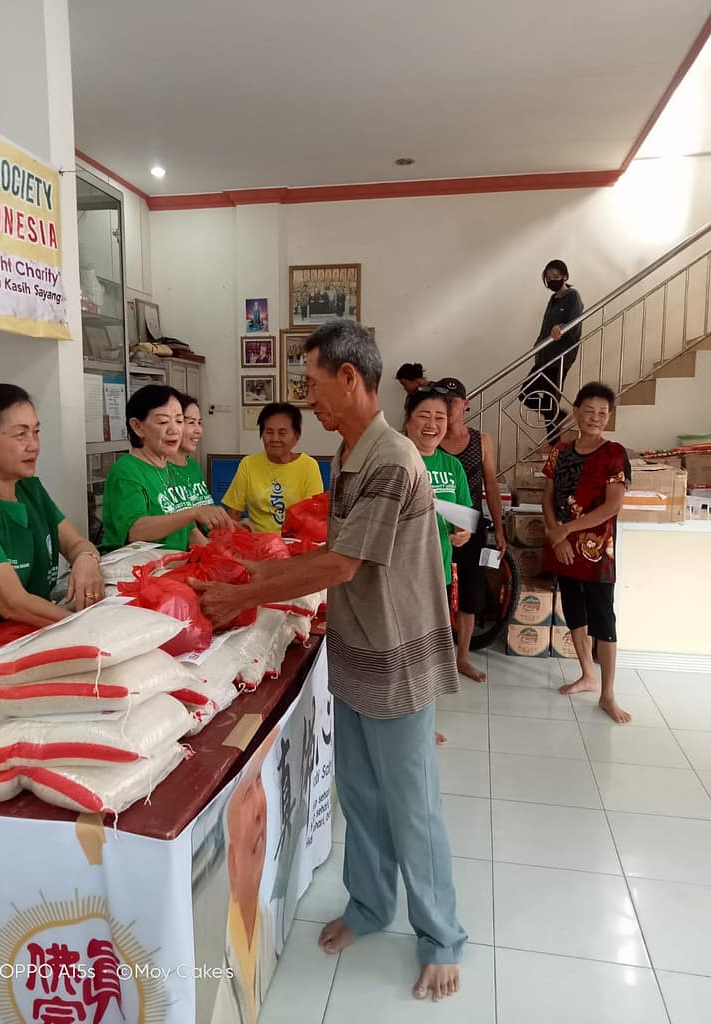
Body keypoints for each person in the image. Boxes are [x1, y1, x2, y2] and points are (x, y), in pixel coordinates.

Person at [195, 321, 467, 1003]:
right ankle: (370, 905)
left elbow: (342, 564)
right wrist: (259, 579)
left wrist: (245, 594)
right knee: (363, 795)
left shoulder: (390, 459)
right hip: (356, 649)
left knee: (412, 805)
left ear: (349, 378)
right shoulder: (350, 453)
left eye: (312, 384)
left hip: (397, 657)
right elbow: (335, 553)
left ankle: (441, 936)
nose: (306, 398)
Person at [0, 383, 104, 627]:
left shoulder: (30, 489)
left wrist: (86, 559)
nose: (34, 445)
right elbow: (13, 604)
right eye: (21, 435)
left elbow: (75, 543)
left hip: (36, 628)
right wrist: (92, 627)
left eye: (36, 432)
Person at [541, 382, 631, 724]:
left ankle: (608, 694)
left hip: (597, 553)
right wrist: (556, 535)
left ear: (609, 417)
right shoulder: (560, 451)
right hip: (563, 547)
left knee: (603, 618)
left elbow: (612, 506)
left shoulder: (614, 453)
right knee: (573, 609)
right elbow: (547, 498)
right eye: (589, 411)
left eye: (602, 413)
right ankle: (586, 675)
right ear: (576, 411)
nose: (595, 417)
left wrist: (566, 530)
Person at [404, 387, 472, 746]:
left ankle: (423, 723)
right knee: (404, 653)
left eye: (440, 417)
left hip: (439, 573)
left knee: (430, 654)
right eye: (424, 416)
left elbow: (465, 515)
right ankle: (404, 721)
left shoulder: (452, 465)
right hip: (402, 577)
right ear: (408, 421)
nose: (432, 424)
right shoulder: (397, 462)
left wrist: (463, 532)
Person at [101, 384, 232, 552]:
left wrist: (229, 556)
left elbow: (190, 532)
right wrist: (193, 513)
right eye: (163, 421)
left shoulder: (170, 469)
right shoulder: (126, 471)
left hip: (174, 564)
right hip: (137, 566)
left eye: (179, 421)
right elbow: (135, 531)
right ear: (137, 426)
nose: (174, 430)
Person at [439, 377, 506, 682]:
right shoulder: (429, 438)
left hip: (471, 524)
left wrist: (499, 529)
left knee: (471, 591)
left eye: (452, 401)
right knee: (436, 591)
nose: (447, 407)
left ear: (465, 404)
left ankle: (462, 657)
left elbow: (491, 484)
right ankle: (437, 657)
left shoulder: (481, 441)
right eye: (442, 400)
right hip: (436, 526)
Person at [212, 729, 279, 1024]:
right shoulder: (210, 966)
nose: (260, 815)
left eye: (258, 783)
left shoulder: (264, 918)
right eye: (246, 793)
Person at [222, 403, 323, 533]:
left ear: (296, 437)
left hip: (295, 541)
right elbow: (233, 513)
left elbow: (313, 518)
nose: (275, 439)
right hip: (256, 541)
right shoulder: (248, 464)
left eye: (282, 433)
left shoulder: (309, 466)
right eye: (269, 432)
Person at [520, 259, 585, 443]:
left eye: (555, 276)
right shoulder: (553, 299)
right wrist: (538, 343)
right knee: (526, 394)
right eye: (548, 278)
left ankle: (553, 441)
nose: (551, 280)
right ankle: (560, 416)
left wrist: (562, 327)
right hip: (545, 356)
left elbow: (575, 323)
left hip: (560, 357)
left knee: (549, 399)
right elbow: (546, 326)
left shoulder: (573, 296)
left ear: (565, 276)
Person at [169, 392, 214, 515]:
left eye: (199, 423)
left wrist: (231, 523)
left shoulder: (194, 467)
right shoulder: (160, 470)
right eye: (191, 423)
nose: (199, 430)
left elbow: (208, 514)